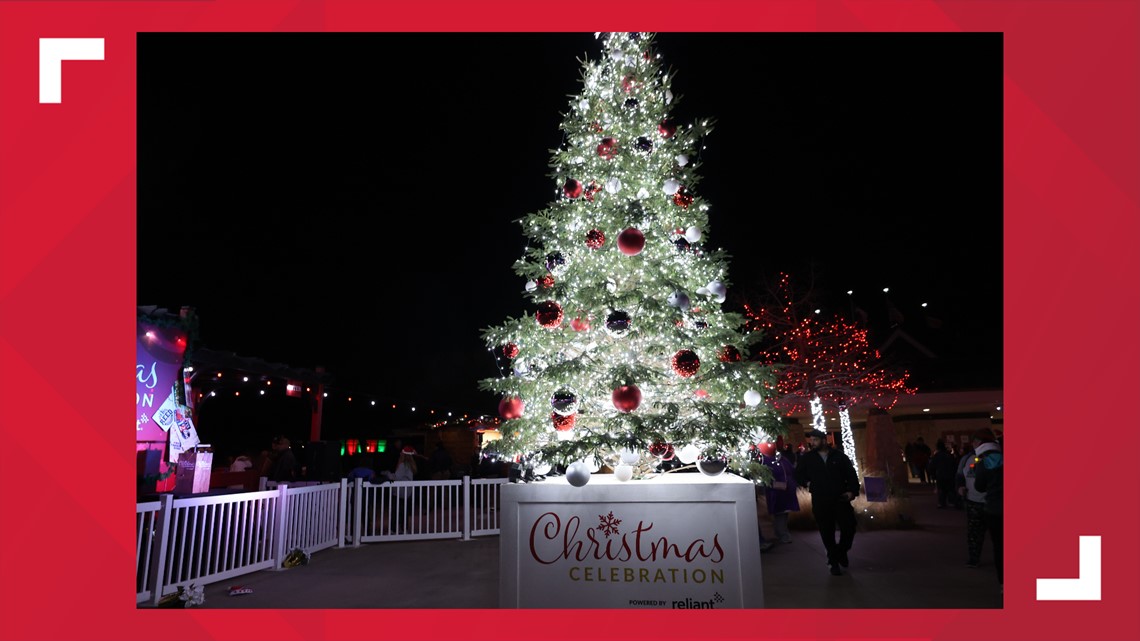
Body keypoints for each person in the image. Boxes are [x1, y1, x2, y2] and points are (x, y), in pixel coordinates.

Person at [794, 428, 860, 576]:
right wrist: (807, 483)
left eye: (815, 440)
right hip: (820, 499)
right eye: (811, 440)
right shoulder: (808, 458)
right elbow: (798, 475)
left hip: (840, 498)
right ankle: (833, 561)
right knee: (826, 531)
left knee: (849, 526)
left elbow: (851, 474)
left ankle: (841, 551)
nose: (813, 443)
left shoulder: (839, 456)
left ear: (824, 440)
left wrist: (852, 491)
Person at [956, 429, 999, 568]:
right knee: (975, 532)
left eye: (976, 441)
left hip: (991, 501)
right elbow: (960, 476)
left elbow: (980, 484)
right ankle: (974, 557)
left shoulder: (995, 457)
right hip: (974, 501)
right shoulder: (967, 458)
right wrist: (960, 487)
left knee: (996, 535)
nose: (974, 444)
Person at [972, 428, 1004, 591]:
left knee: (999, 545)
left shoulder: (983, 464)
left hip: (994, 508)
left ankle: (1003, 582)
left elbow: (979, 486)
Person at [759, 449, 799, 548]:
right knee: (781, 514)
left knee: (782, 514)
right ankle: (783, 535)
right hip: (779, 491)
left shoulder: (775, 460)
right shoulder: (776, 460)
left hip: (782, 490)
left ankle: (782, 534)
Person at [928, 439, 961, 509]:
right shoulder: (949, 454)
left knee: (941, 490)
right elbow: (955, 464)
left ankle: (942, 503)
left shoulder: (937, 455)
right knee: (950, 489)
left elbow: (932, 466)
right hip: (950, 475)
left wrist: (933, 475)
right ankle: (952, 502)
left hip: (940, 475)